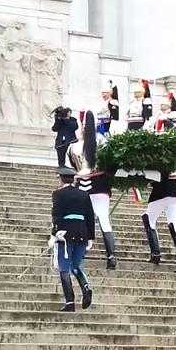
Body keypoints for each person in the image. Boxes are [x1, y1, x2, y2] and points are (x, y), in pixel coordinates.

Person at [67, 111, 117, 269]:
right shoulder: (102, 141)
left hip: (82, 185)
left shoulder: (73, 147)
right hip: (100, 185)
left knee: (83, 220)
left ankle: (81, 252)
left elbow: (70, 169)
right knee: (103, 219)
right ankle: (111, 256)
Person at [49, 167, 95, 312]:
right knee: (75, 266)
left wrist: (54, 233)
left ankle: (70, 302)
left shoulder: (58, 194)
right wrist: (90, 237)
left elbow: (56, 215)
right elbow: (90, 216)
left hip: (65, 234)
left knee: (64, 268)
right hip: (82, 232)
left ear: (61, 179)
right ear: (73, 179)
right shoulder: (83, 194)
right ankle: (86, 287)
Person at [141, 170, 176, 272]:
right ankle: (156, 254)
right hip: (160, 188)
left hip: (170, 186)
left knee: (173, 224)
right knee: (149, 218)